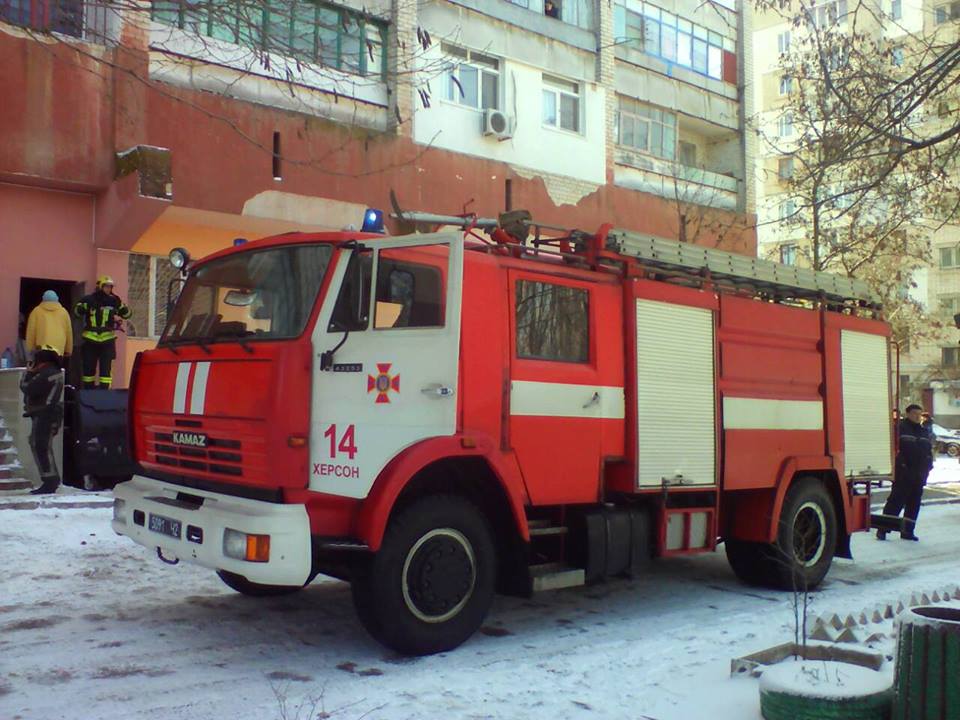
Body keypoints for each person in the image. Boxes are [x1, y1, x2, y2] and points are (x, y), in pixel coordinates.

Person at [878, 404, 933, 541]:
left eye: (919, 414)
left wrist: (928, 466)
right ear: (907, 414)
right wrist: (902, 466)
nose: (917, 416)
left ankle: (908, 531)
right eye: (914, 413)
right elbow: (895, 450)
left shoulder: (923, 431)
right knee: (895, 503)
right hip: (904, 474)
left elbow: (928, 451)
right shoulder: (900, 429)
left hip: (919, 474)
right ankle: (883, 530)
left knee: (913, 504)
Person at [20, 346, 65, 495]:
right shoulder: (53, 372)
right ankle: (51, 479)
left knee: (41, 447)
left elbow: (28, 388)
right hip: (48, 414)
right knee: (42, 447)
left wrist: (27, 374)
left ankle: (50, 481)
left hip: (45, 415)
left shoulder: (47, 373)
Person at [74, 276, 131, 389]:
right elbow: (76, 312)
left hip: (107, 339)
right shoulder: (89, 299)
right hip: (90, 339)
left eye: (110, 287)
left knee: (106, 370)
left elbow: (127, 315)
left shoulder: (114, 300)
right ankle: (88, 392)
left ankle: (104, 394)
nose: (108, 289)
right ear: (100, 287)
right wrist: (84, 306)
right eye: (106, 286)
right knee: (88, 368)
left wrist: (122, 308)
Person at [26, 290, 73, 361]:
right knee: (57, 370)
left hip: (41, 348)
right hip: (59, 349)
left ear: (43, 299)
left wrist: (30, 349)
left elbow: (31, 331)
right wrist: (68, 350)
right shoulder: (64, 312)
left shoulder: (36, 311)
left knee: (42, 369)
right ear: (57, 299)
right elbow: (68, 332)